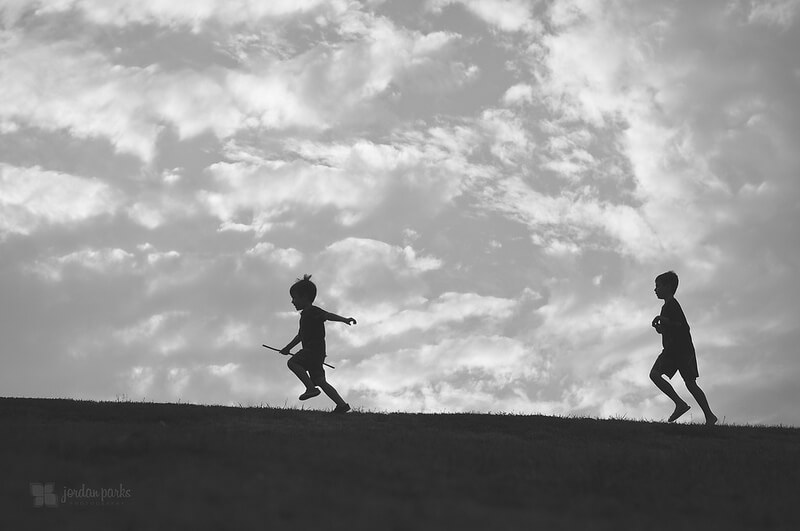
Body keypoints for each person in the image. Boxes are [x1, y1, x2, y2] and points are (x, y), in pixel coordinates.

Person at [649, 271, 717, 425]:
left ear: (668, 287)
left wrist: (662, 319)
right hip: (675, 350)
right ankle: (687, 407)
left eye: (658, 286)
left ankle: (702, 413)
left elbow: (681, 325)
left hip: (680, 350)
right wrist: (661, 328)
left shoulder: (672, 304)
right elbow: (671, 327)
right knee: (685, 382)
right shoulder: (666, 307)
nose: (655, 289)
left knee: (665, 377)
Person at [280, 274, 355, 413]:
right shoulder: (305, 315)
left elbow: (328, 315)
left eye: (294, 298)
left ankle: (310, 388)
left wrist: (344, 319)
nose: (292, 301)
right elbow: (301, 336)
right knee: (320, 380)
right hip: (318, 353)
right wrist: (287, 348)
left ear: (305, 297)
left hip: (312, 351)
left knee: (293, 363)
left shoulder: (312, 311)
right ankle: (342, 405)